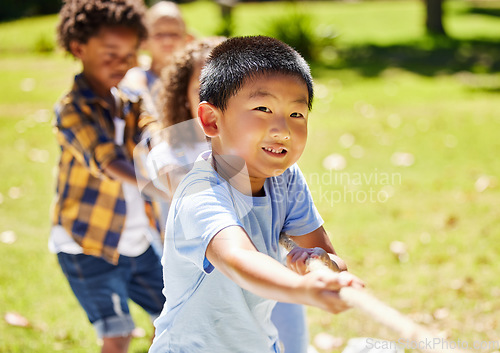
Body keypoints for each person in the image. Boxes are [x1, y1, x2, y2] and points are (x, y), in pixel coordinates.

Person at [149, 36, 364, 353]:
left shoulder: (286, 179)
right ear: (211, 120)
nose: (283, 129)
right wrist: (302, 287)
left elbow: (325, 254)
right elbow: (238, 258)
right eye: (262, 108)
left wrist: (326, 269)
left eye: (297, 114)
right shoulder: (199, 191)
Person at [51, 1, 165, 352]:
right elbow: (107, 160)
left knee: (176, 313)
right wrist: (158, 184)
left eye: (130, 53)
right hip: (88, 244)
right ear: (78, 48)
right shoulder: (71, 109)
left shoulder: (131, 100)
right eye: (112, 52)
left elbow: (154, 127)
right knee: (118, 334)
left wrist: (168, 146)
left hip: (138, 241)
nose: (123, 61)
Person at [121, 1, 192, 105]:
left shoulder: (192, 80)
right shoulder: (138, 77)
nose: (167, 41)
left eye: (174, 34)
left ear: (187, 40)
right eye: (159, 34)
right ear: (144, 41)